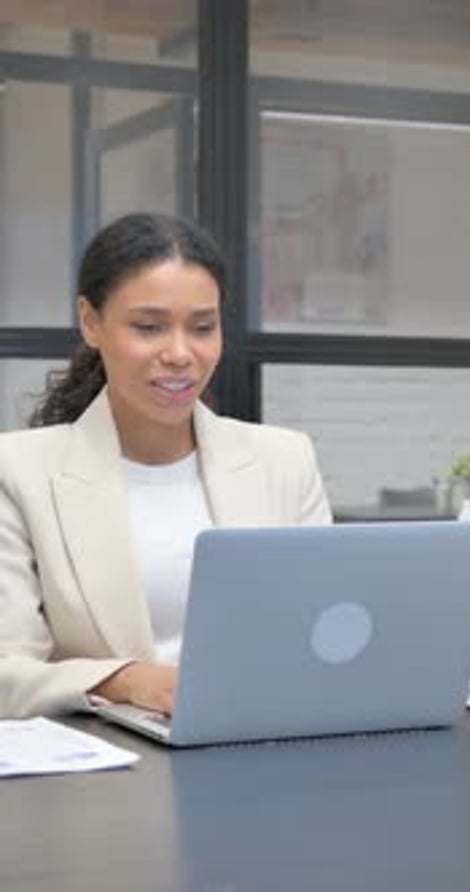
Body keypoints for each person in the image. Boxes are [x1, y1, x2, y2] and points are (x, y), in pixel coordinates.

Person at [0, 212, 331, 719]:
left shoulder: (284, 460)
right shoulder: (18, 471)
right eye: (148, 327)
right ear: (91, 322)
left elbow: (323, 632)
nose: (180, 354)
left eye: (203, 327)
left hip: (263, 747)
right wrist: (126, 681)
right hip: (103, 775)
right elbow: (7, 670)